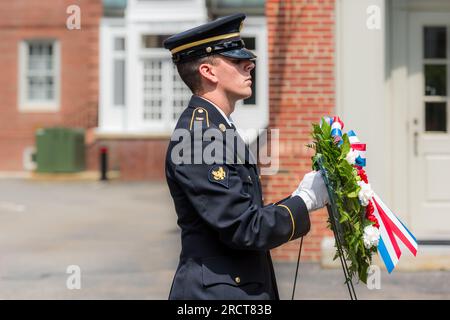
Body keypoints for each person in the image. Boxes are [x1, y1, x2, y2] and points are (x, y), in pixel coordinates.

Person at [163, 13, 329, 300]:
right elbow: (243, 228)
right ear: (208, 72)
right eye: (236, 60)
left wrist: (297, 198)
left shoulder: (216, 127)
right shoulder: (199, 138)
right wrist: (305, 201)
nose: (249, 64)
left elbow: (243, 212)